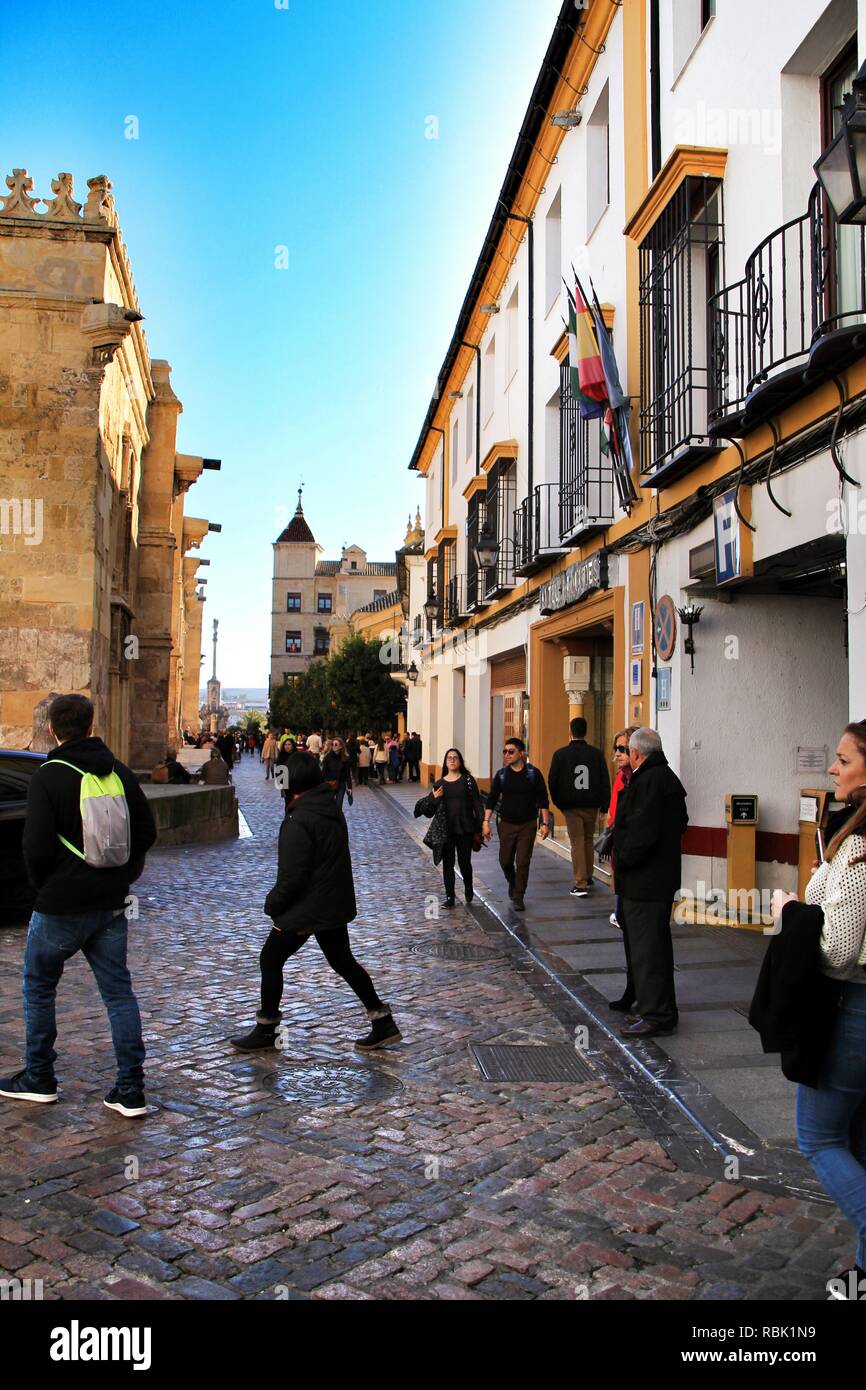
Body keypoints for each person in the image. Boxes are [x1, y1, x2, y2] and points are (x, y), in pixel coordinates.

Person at [0, 694, 157, 1117]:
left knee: (38, 986)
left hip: (59, 904)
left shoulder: (48, 776)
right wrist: (123, 874)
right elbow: (147, 830)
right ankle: (130, 1089)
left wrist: (44, 886)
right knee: (118, 992)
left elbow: (33, 847)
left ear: (53, 729)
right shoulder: (119, 772)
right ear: (91, 725)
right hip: (110, 903)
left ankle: (39, 1077)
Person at [767, 720, 866, 1299]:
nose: (832, 768)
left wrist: (788, 915)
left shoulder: (858, 849)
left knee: (820, 1140)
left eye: (843, 759)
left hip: (851, 1010)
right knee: (856, 1140)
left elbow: (836, 953)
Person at [229, 753, 400, 1053]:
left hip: (308, 907)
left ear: (292, 780)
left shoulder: (300, 818)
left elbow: (293, 876)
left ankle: (267, 1028)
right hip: (331, 903)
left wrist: (273, 903)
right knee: (343, 961)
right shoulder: (327, 808)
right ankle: (382, 1021)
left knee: (270, 958)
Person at [612, 728, 687, 1039]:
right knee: (655, 947)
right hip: (656, 880)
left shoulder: (650, 781)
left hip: (645, 882)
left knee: (647, 951)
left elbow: (641, 833)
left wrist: (623, 858)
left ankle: (655, 1014)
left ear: (637, 754)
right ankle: (662, 1010)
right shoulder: (666, 778)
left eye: (627, 751)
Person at [483, 737, 551, 912]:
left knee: (522, 861)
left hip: (528, 824)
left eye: (510, 751)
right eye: (505, 752)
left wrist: (544, 823)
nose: (507, 755)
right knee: (505, 860)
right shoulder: (501, 775)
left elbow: (543, 800)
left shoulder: (533, 774)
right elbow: (491, 800)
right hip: (506, 824)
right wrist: (486, 822)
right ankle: (513, 882)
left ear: (522, 753)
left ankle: (518, 895)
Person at [547, 716, 611, 898]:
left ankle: (580, 883)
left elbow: (552, 781)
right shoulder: (596, 754)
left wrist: (559, 803)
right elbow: (604, 780)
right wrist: (604, 807)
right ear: (586, 731)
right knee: (588, 840)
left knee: (576, 842)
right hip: (592, 805)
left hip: (571, 806)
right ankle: (588, 876)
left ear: (570, 731)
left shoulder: (560, 755)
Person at [415, 748, 484, 906]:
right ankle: (450, 897)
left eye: (455, 758)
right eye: (449, 758)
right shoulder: (440, 784)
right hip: (446, 830)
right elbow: (429, 812)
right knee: (448, 863)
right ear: (446, 762)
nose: (452, 760)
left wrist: (481, 826)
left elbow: (477, 804)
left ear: (460, 762)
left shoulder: (468, 780)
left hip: (465, 828)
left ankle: (468, 886)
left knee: (464, 862)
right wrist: (434, 797)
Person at [604, 726, 639, 1012]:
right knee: (626, 926)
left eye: (623, 749)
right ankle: (633, 987)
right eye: (616, 748)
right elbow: (613, 817)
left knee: (637, 930)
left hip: (637, 868)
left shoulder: (641, 782)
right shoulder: (620, 780)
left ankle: (639, 989)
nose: (617, 754)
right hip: (620, 863)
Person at [322, 736, 353, 812]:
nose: (333, 746)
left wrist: (349, 787)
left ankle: (337, 822)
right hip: (330, 785)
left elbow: (347, 774)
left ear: (341, 746)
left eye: (336, 744)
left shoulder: (345, 758)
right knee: (329, 806)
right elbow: (324, 773)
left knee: (338, 806)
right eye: (332, 744)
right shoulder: (327, 758)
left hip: (341, 785)